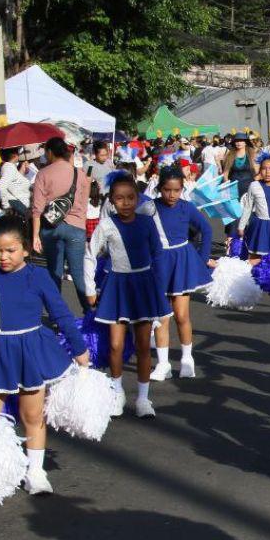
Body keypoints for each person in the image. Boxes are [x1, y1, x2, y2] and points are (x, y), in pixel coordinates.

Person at [0, 214, 89, 495]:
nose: (3, 257)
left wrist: (79, 349)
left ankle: (35, 470)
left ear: (25, 249)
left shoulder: (38, 275)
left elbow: (60, 312)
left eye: (10, 250)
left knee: (32, 414)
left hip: (30, 352)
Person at [84, 175, 172, 419]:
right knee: (115, 345)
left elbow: (158, 252)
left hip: (143, 285)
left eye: (130, 197)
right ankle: (117, 392)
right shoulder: (106, 225)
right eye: (119, 198)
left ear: (137, 198)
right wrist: (90, 288)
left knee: (144, 345)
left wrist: (158, 285)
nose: (125, 203)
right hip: (117, 285)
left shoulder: (146, 222)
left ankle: (143, 398)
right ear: (111, 201)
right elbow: (90, 254)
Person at [151, 166, 215, 379]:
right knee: (161, 316)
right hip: (158, 263)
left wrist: (203, 257)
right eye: (167, 190)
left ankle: (187, 358)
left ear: (182, 189)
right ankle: (163, 364)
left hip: (180, 262)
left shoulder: (187, 208)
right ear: (160, 188)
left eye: (176, 190)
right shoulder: (150, 208)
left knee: (181, 315)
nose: (172, 195)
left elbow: (206, 229)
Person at [31, 137, 91, 312]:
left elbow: (37, 209)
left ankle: (57, 316)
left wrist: (35, 236)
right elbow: (84, 203)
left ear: (49, 152)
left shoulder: (43, 174)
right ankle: (88, 312)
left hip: (51, 228)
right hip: (77, 227)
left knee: (54, 273)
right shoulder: (79, 174)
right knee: (78, 273)